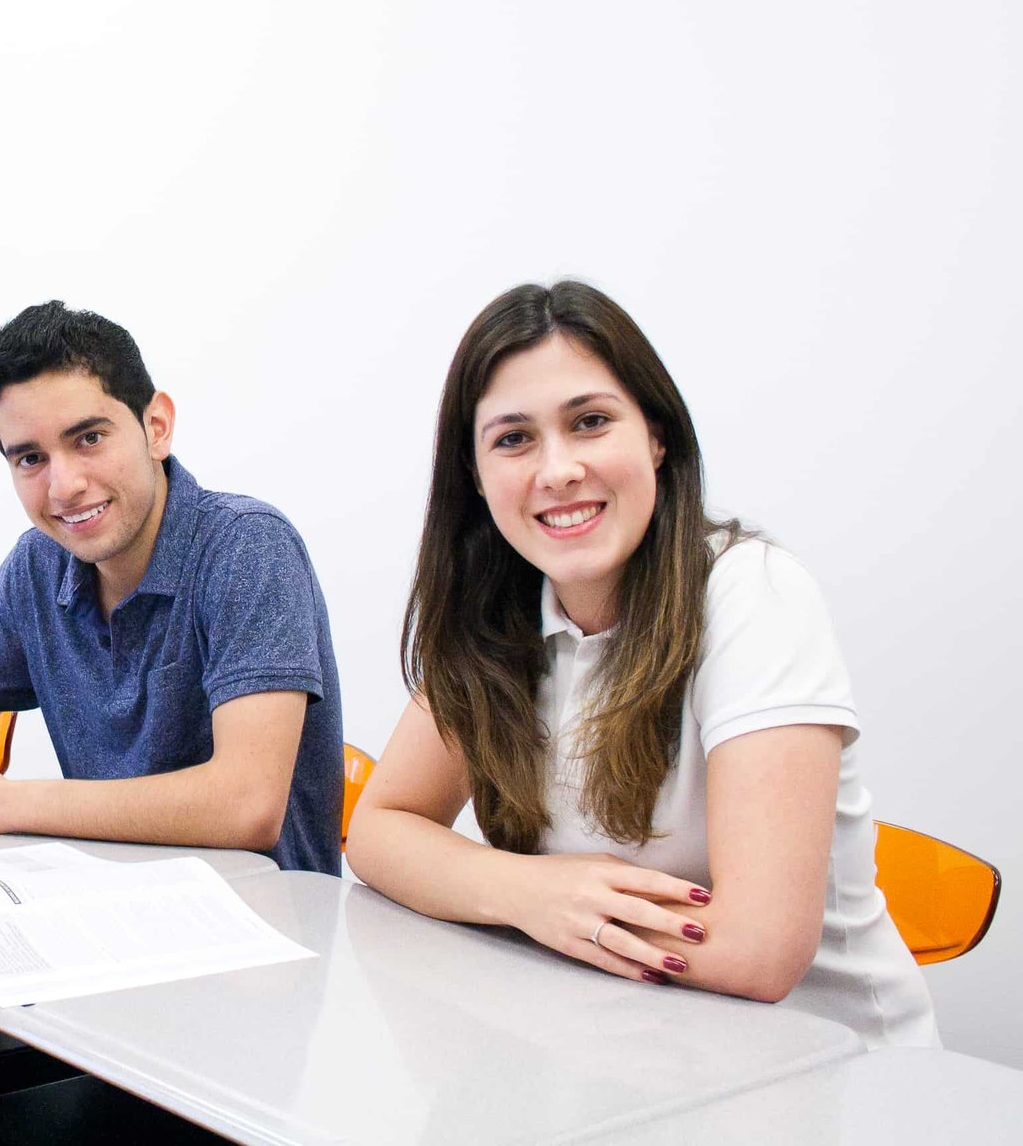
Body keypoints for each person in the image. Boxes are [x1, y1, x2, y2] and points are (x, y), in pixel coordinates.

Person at [0, 300, 343, 1143]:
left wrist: (4, 802)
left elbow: (246, 805)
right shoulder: (39, 565)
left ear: (155, 423)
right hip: (100, 947)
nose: (64, 485)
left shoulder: (246, 549)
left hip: (250, 973)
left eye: (90, 437)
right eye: (29, 458)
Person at [345, 280, 935, 1047]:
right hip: (617, 1047)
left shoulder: (753, 593)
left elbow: (757, 950)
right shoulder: (491, 618)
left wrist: (537, 904)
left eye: (590, 422)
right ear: (476, 473)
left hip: (831, 1073)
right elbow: (383, 829)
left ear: (656, 436)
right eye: (514, 438)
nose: (557, 469)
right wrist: (532, 892)